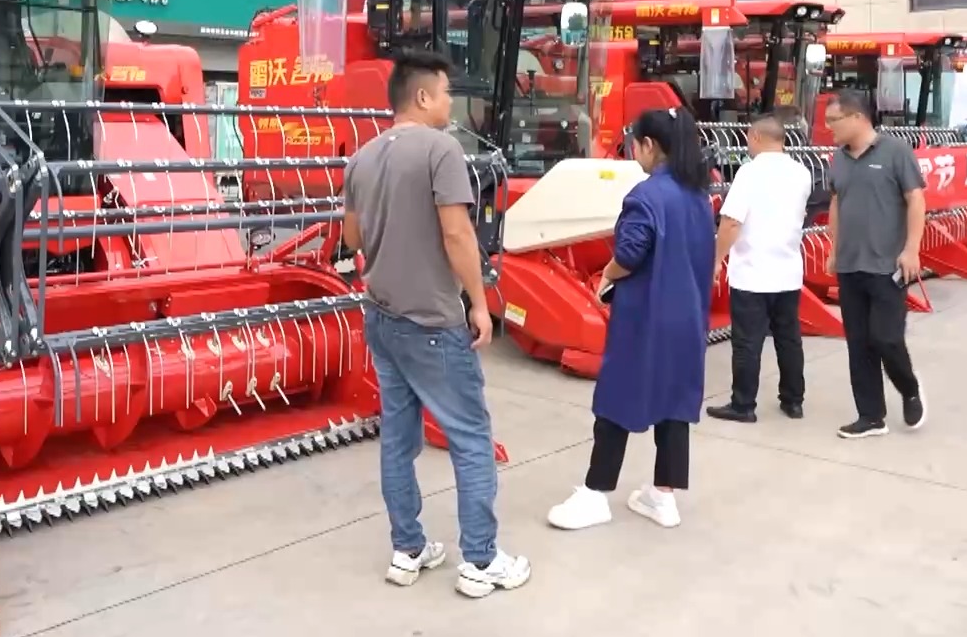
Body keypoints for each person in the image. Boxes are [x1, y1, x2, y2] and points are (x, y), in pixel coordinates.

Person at [341, 50, 530, 599]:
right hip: (431, 319)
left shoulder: (362, 157)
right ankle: (481, 560)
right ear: (422, 97)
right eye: (446, 93)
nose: (450, 103)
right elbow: (457, 234)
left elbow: (351, 239)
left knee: (398, 440)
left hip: (382, 317)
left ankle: (408, 550)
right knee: (471, 438)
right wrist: (479, 302)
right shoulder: (441, 149)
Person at [547, 106, 716, 531]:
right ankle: (663, 496)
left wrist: (607, 275)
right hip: (688, 318)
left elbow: (629, 253)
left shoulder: (646, 196)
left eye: (635, 144)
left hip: (646, 317)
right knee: (675, 403)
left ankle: (595, 493)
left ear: (649, 145)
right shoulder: (698, 195)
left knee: (617, 399)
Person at [823, 89, 928, 440]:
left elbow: (916, 199)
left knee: (886, 338)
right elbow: (837, 203)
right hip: (850, 265)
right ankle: (870, 416)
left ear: (857, 118)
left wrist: (912, 249)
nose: (829, 127)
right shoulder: (838, 159)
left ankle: (909, 388)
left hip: (887, 265)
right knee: (859, 343)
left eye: (834, 120)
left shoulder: (895, 152)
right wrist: (834, 249)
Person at [706, 114, 812, 424]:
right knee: (788, 339)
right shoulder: (802, 173)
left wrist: (716, 260)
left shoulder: (749, 173)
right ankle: (793, 401)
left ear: (754, 137)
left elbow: (731, 222)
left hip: (752, 274)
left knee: (747, 343)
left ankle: (743, 405)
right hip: (788, 272)